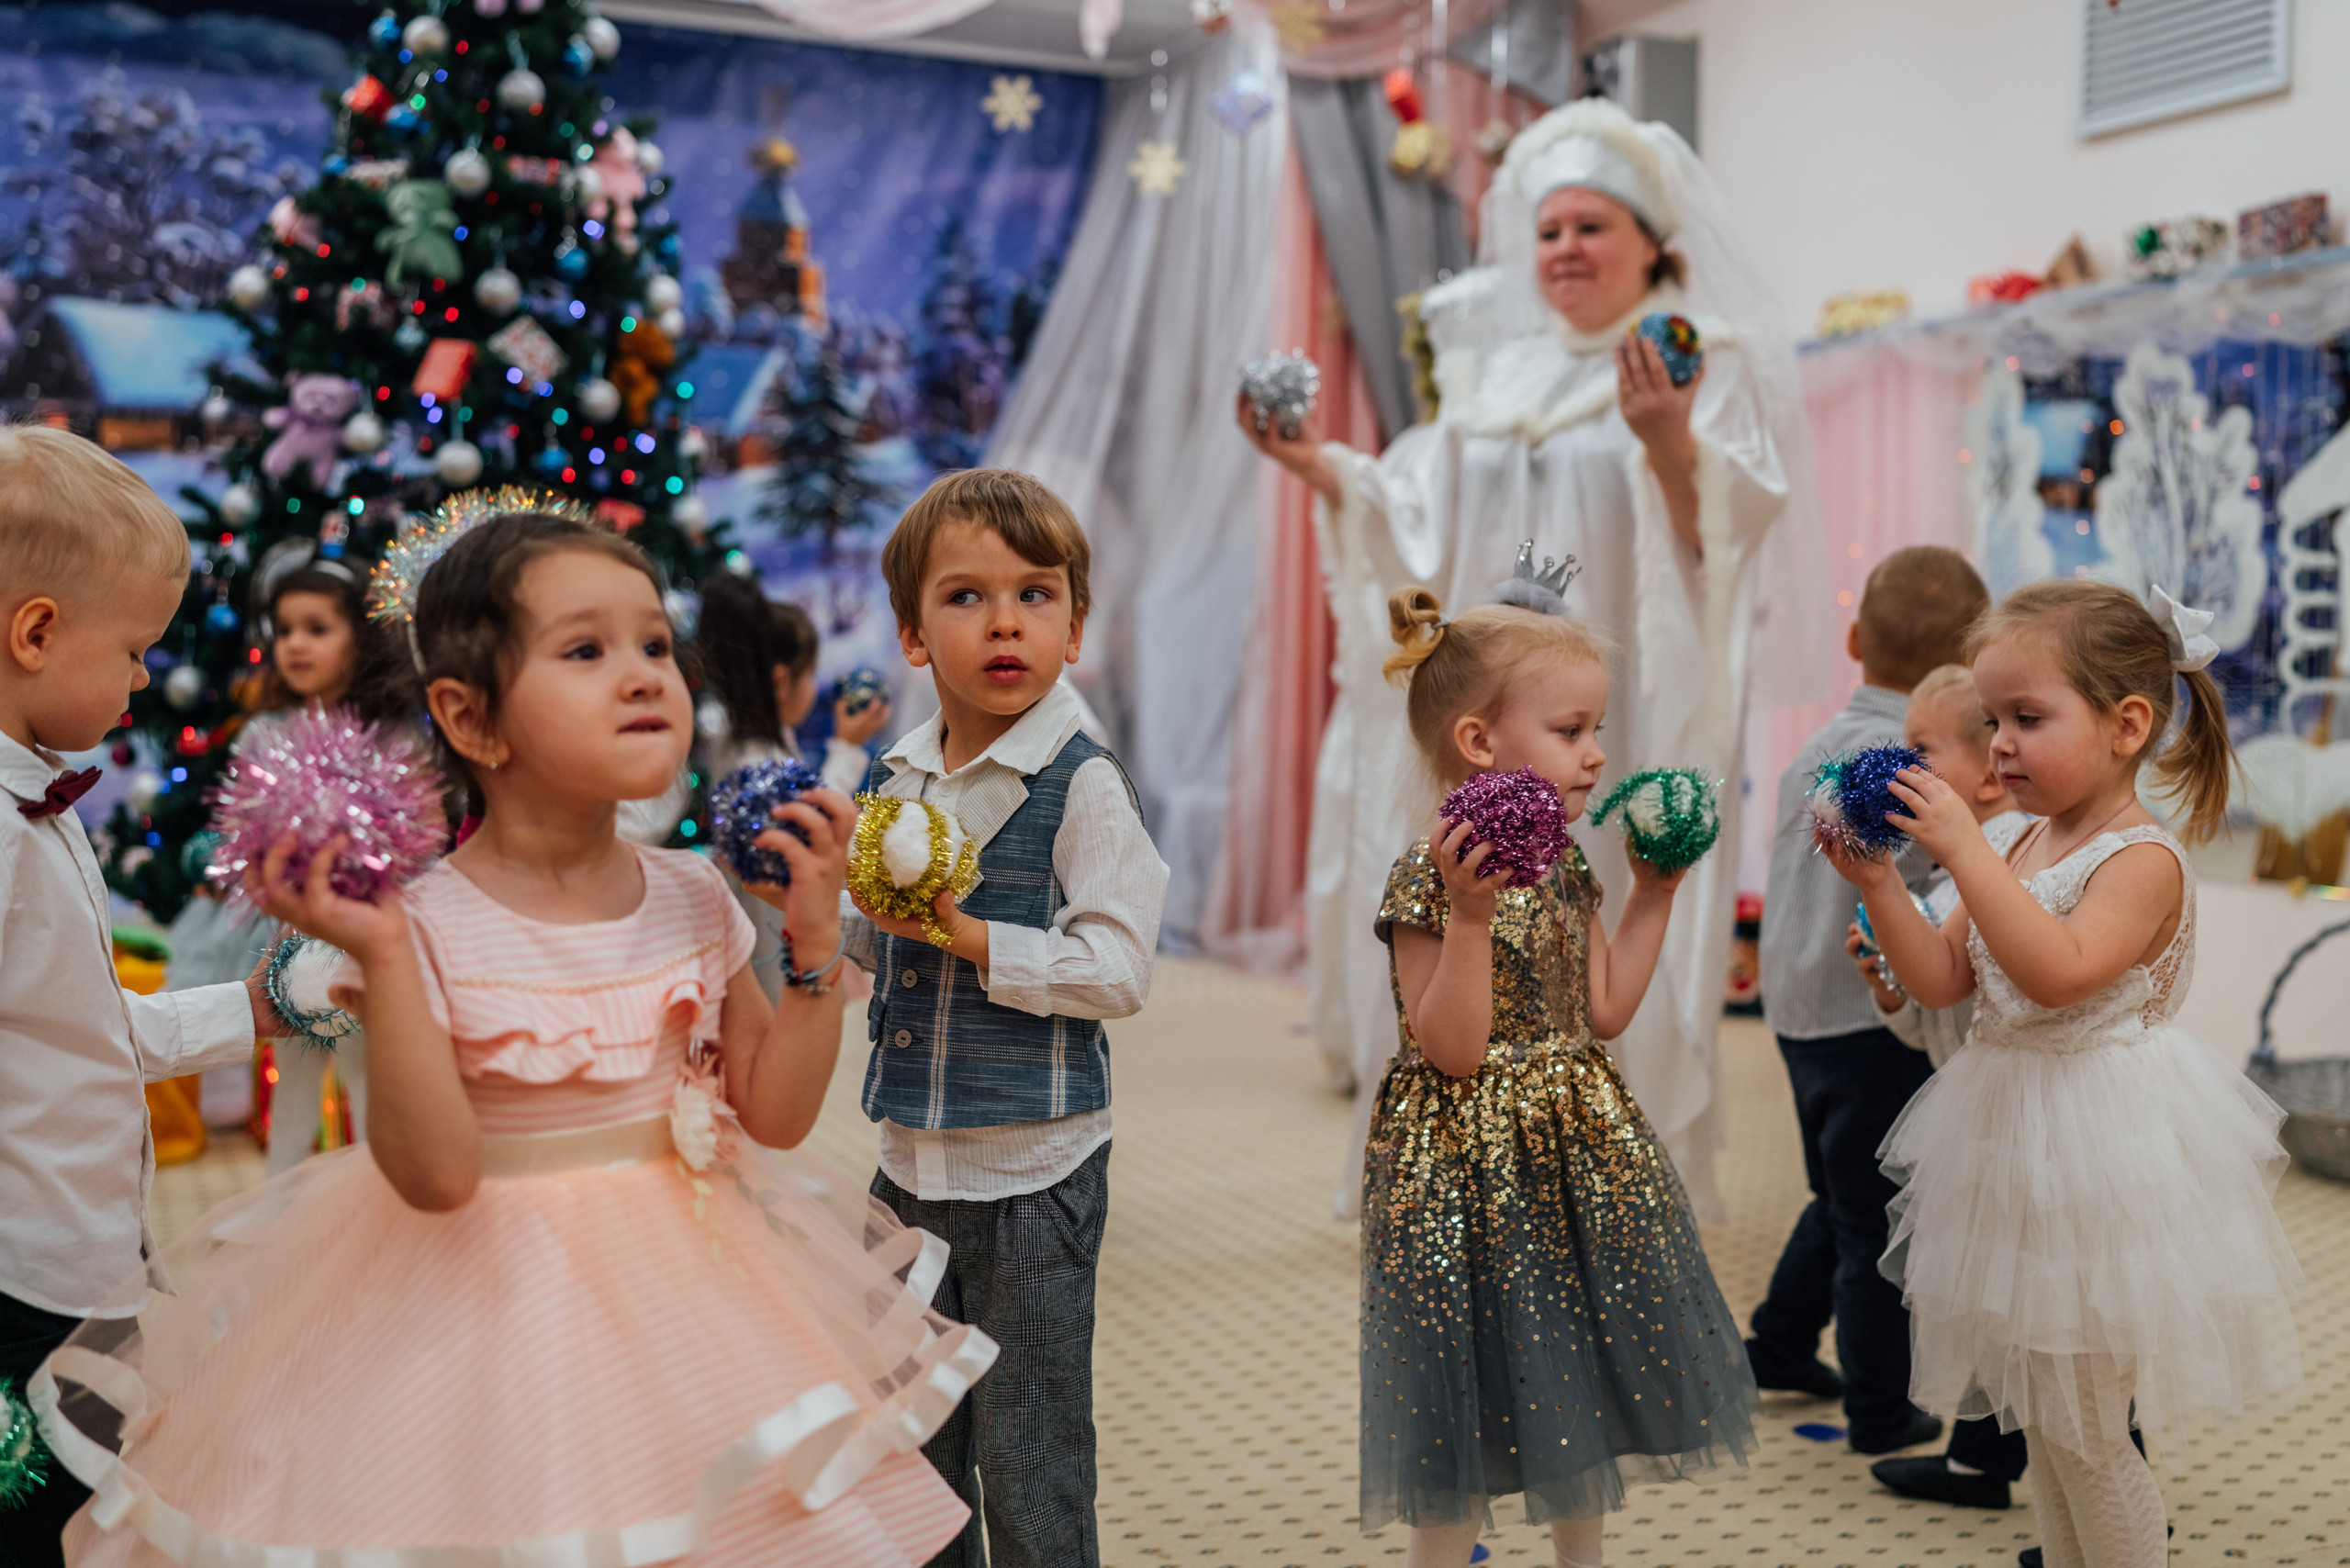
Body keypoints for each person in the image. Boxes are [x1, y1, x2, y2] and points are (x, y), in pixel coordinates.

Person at [34, 509, 996, 1566]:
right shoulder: (420, 923)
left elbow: (771, 1112)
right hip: (475, 1307)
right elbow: (436, 1175)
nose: (641, 676)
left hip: (692, 1295)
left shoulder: (693, 895)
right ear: (470, 716)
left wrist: (812, 955)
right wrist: (390, 965)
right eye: (585, 650)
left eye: (653, 646)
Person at [1238, 96, 1832, 1217]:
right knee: (1462, 898)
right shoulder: (1491, 374)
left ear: (1653, 244)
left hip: (1622, 706)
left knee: (1593, 899)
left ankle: (1599, 1172)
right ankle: (1455, 1159)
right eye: (1548, 229)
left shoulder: (1707, 363)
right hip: (1493, 708)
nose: (1563, 250)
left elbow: (1731, 547)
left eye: (1590, 227)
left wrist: (1667, 442)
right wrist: (1317, 463)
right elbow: (1412, 515)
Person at [1837, 580, 2303, 1568]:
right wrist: (1882, 886)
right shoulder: (2010, 834)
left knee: (2090, 1430)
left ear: (2126, 724)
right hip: (2006, 1134)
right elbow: (1944, 979)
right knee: (2046, 1426)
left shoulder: (2141, 860)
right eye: (1994, 719)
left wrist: (1963, 849)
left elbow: (2054, 976)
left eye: (2026, 718)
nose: (1997, 743)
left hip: (2097, 1150)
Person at [1362, 580, 1756, 1568]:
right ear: (1479, 743)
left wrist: (1654, 893)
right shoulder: (1429, 873)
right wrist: (1465, 916)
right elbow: (1449, 1048)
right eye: (1572, 728)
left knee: (1575, 1367)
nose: (1596, 754)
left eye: (1599, 728)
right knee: (1462, 1387)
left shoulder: (1567, 867)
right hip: (1463, 1161)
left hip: (1575, 1144)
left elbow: (1606, 1008)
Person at [846, 469, 1167, 1568]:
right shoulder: (891, 777)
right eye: (966, 597)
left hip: (1036, 1171)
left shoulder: (1081, 783)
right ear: (912, 635)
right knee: (912, 1445)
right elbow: (857, 946)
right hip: (905, 1167)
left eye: (1035, 595)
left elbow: (1121, 968)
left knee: (1027, 1447)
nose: (1003, 622)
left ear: (1075, 629)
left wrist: (980, 941)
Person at [0, 425, 276, 1568]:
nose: (144, 678)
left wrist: (249, 1010)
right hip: (19, 1277)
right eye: (134, 649)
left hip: (81, 1256)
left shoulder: (37, 809)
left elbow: (76, 1029)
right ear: (36, 633)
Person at [1745, 546, 1987, 1457]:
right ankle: (1881, 1411)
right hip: (1869, 1014)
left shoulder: (1815, 743)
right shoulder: (1915, 765)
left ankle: (1775, 1342)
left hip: (1797, 1010)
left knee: (1837, 1194)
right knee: (1875, 1224)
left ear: (1853, 638)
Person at [1847, 664, 2032, 1508]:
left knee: (2042, 1312)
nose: (1904, 764)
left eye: (1921, 750)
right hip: (1973, 1108)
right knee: (2000, 1310)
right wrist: (1894, 988)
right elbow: (1941, 1005)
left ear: (1987, 773)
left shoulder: (1995, 860)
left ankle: (2098, 1483)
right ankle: (1981, 1463)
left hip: (2027, 1120)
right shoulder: (1954, 870)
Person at [171, 544, 418, 1173]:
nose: (296, 645)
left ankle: (372, 1200)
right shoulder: (264, 733)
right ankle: (279, 1206)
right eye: (285, 631)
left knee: (367, 1071)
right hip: (284, 933)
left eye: (317, 629)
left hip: (367, 932)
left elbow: (414, 835)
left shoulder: (392, 737)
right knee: (295, 1073)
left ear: (361, 639)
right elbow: (238, 828)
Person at [696, 569, 892, 1000]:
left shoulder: (760, 740)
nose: (814, 686)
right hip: (770, 923)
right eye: (810, 674)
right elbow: (811, 822)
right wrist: (847, 747)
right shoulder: (754, 757)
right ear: (782, 680)